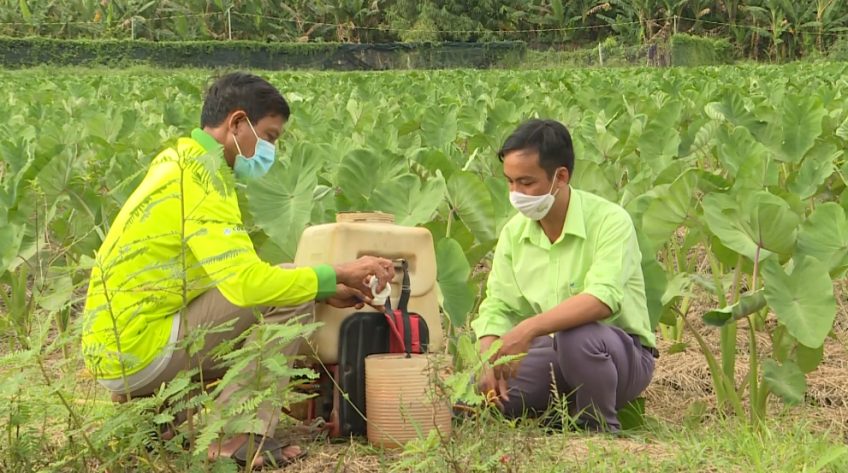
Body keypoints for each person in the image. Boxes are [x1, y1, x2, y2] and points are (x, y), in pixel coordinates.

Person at [81, 72, 394, 468]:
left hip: (113, 347)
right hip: (141, 350)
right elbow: (248, 286)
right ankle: (234, 434)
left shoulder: (178, 159)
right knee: (288, 295)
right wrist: (333, 275)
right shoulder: (205, 178)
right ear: (237, 123)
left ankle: (158, 416)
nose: (271, 149)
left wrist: (320, 285)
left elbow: (225, 276)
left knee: (287, 282)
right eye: (271, 136)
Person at [471, 119, 657, 432]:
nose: (515, 193)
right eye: (509, 182)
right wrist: (488, 353)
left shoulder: (610, 221)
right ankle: (561, 413)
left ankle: (596, 426)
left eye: (527, 183)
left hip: (619, 354)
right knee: (486, 395)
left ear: (561, 176)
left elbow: (602, 299)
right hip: (553, 353)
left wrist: (528, 329)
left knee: (577, 335)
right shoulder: (514, 233)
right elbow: (498, 304)